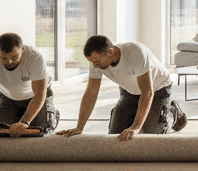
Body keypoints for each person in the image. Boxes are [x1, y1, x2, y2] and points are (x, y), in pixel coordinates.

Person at [57, 35, 185, 141]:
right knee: (115, 135)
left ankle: (173, 112)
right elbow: (91, 92)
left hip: (158, 88)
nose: (95, 66)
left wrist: (135, 126)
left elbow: (147, 92)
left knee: (150, 133)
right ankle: (135, 112)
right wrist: (79, 127)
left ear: (110, 52)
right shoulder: (96, 62)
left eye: (97, 61)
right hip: (130, 90)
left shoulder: (136, 52)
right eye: (92, 62)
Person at [0, 33, 59, 137]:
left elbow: (40, 93)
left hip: (36, 96)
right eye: (4, 59)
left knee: (41, 132)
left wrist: (24, 122)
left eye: (14, 57)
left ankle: (52, 115)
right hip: (8, 95)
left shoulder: (34, 57)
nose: (9, 62)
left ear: (22, 50)